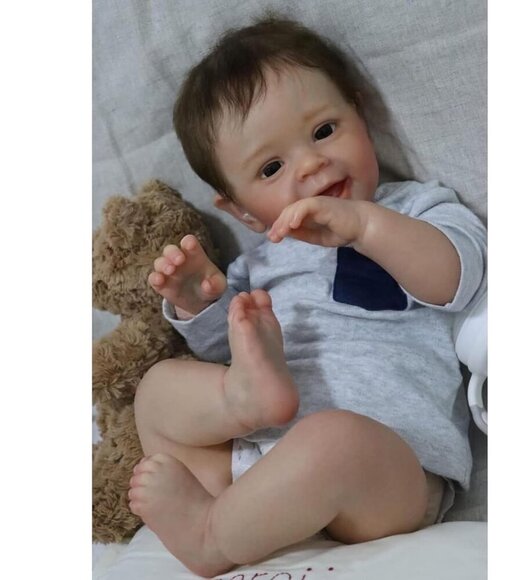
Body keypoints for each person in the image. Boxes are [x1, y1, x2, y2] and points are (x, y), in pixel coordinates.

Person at [127, 15, 487, 578]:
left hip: (389, 470)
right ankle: (246, 416)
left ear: (360, 113)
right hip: (258, 461)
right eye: (272, 167)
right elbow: (223, 353)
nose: (313, 163)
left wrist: (365, 226)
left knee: (333, 440)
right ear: (242, 211)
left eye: (323, 130)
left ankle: (213, 536)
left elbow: (456, 278)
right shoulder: (261, 261)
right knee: (157, 390)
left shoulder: (417, 210)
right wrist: (200, 304)